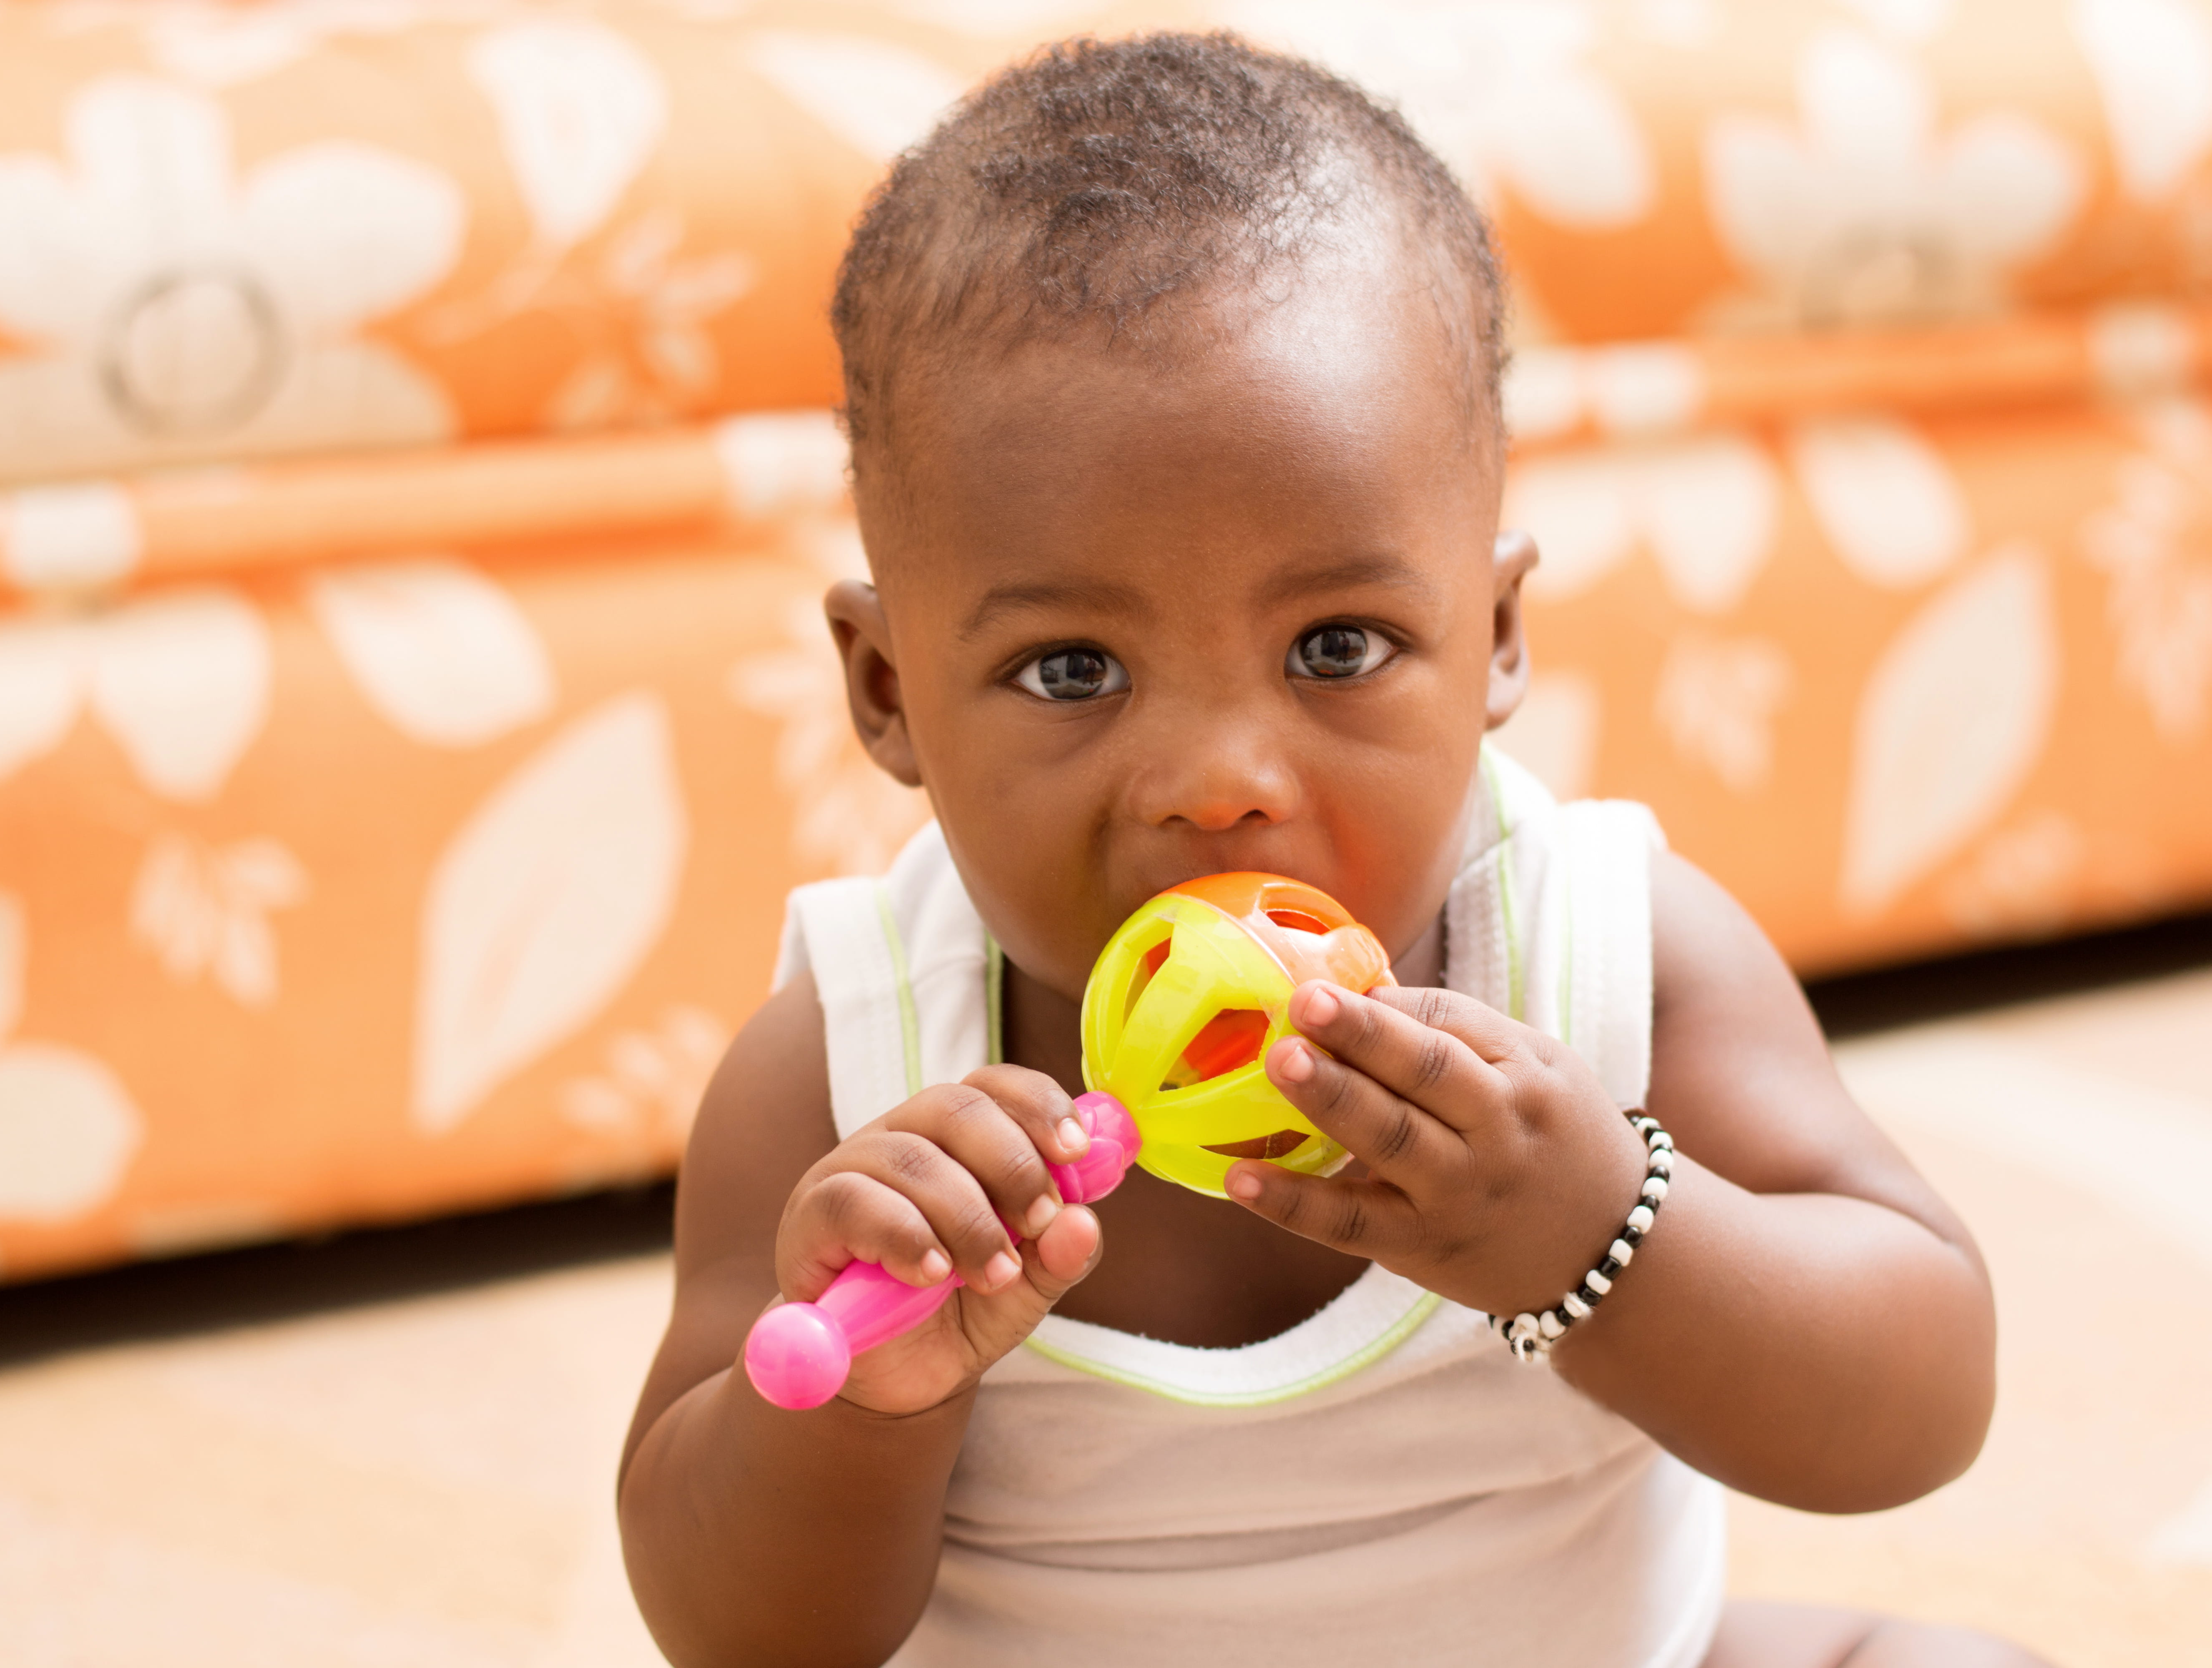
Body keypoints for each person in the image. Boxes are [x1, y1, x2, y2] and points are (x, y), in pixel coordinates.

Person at [619, 32, 2044, 1668]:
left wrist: (1596, 1229)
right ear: (889, 692)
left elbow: (1915, 1407)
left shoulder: (1602, 951)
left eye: (1338, 647)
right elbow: (737, 1636)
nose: (1219, 783)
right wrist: (856, 1402)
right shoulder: (848, 1068)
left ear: (1496, 635)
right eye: (1073, 670)